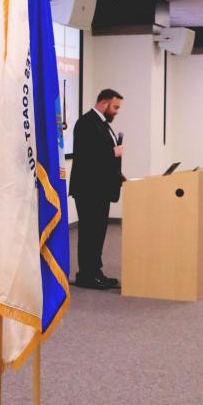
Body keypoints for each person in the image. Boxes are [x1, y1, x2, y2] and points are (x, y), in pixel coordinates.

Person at [69, 89, 124, 290]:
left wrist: (118, 175)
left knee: (98, 232)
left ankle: (95, 271)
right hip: (88, 189)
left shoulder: (103, 124)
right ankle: (86, 275)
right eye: (115, 107)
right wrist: (113, 152)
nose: (117, 111)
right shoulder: (86, 123)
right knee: (89, 232)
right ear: (103, 103)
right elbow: (87, 155)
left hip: (100, 188)